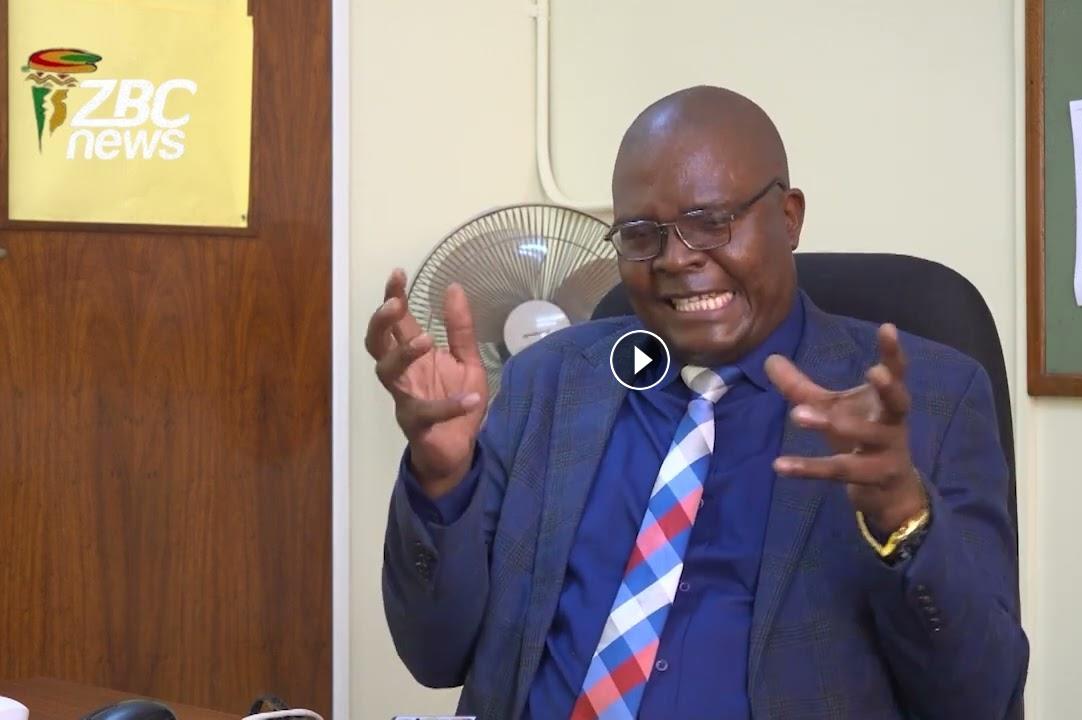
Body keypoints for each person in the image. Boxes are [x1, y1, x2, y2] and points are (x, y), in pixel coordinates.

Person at [369, 86, 1029, 720]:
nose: (676, 259)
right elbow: (434, 654)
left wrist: (903, 517)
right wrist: (442, 478)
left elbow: (979, 700)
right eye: (640, 234)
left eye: (710, 223)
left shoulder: (933, 400)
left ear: (789, 217)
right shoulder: (548, 382)